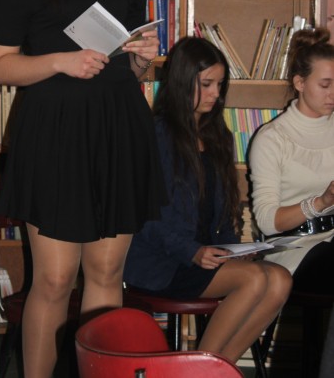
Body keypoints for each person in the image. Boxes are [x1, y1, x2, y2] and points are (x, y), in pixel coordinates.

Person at [0, 0, 166, 378]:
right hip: (54, 134)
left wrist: (142, 58)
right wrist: (61, 61)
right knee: (55, 279)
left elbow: (128, 72)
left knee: (107, 275)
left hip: (117, 127)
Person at [124, 36, 292, 363]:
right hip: (164, 261)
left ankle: (217, 367)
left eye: (219, 84)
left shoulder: (217, 136)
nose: (216, 93)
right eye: (206, 84)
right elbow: (142, 217)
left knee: (280, 280)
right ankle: (202, 368)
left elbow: (224, 209)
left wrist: (235, 249)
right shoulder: (157, 134)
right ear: (182, 82)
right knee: (255, 279)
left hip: (204, 255)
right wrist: (192, 251)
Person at [249, 26, 334, 287]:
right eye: (325, 85)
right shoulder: (272, 139)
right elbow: (267, 221)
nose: (332, 93)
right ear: (299, 83)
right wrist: (321, 202)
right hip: (293, 250)